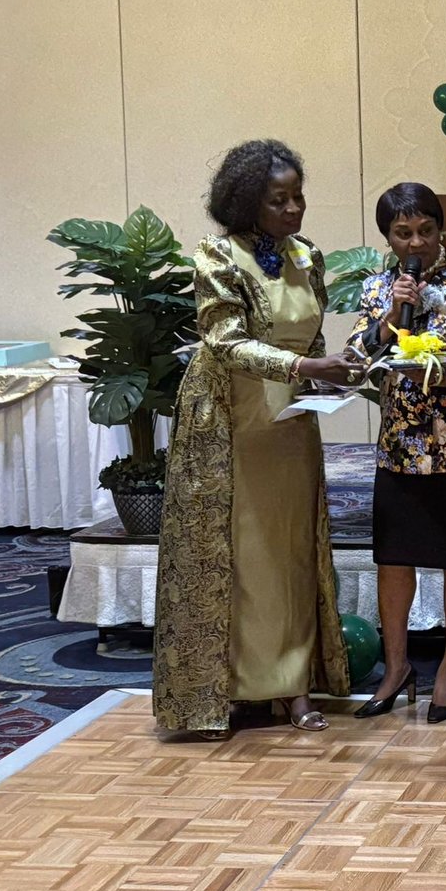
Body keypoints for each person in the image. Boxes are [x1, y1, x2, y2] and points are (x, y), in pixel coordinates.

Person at [153, 140, 364, 737]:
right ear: (247, 202)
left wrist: (331, 371)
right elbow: (223, 342)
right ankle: (223, 690)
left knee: (288, 553)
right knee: (236, 554)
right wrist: (304, 367)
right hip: (229, 423)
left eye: (298, 196)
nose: (294, 208)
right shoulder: (218, 256)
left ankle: (292, 687)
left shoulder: (307, 255)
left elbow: (309, 339)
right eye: (279, 200)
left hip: (290, 423)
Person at [348, 183, 446, 724]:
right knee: (393, 559)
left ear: (441, 229)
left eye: (426, 230)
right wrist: (393, 314)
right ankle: (396, 668)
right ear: (388, 237)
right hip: (402, 444)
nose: (416, 242)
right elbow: (358, 354)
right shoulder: (379, 288)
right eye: (403, 233)